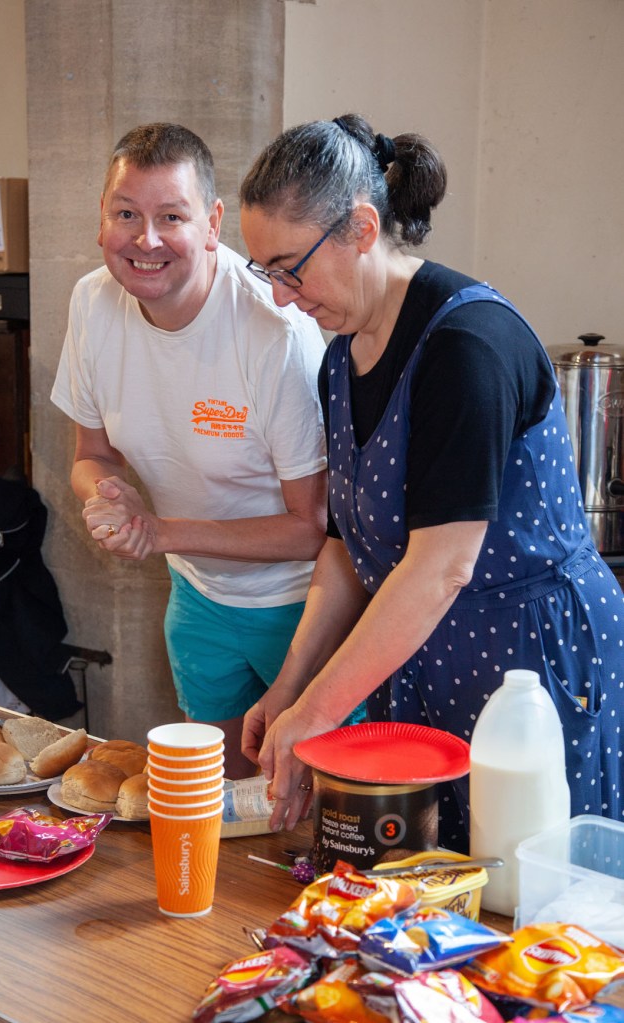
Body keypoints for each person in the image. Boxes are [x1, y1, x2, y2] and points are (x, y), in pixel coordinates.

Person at [238, 113, 624, 848]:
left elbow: (441, 566)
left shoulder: (467, 346)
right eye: (267, 273)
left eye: (290, 267)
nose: (283, 297)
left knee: (532, 880)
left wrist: (318, 711)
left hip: (534, 667)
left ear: (359, 228)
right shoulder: (341, 358)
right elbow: (346, 546)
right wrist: (289, 688)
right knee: (434, 879)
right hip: (424, 656)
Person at [51, 123, 330, 777]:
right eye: (126, 214)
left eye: (170, 217)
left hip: (301, 604)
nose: (145, 240)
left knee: (311, 803)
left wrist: (159, 532)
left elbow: (312, 527)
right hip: (198, 595)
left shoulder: (273, 331)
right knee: (215, 800)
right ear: (101, 217)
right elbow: (91, 454)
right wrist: (107, 496)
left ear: (211, 224)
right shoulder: (92, 303)